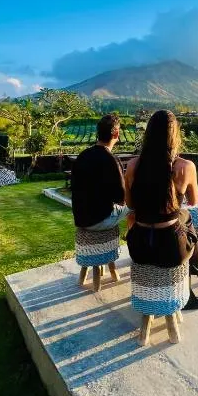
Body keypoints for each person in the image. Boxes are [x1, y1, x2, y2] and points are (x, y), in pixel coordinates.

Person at [125, 109, 198, 310]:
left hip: (139, 248)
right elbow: (193, 201)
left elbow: (130, 205)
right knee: (186, 218)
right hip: (172, 251)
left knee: (182, 220)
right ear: (175, 135)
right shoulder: (185, 166)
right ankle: (195, 278)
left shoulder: (132, 166)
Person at [71, 114, 129, 284]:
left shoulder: (83, 156)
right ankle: (138, 248)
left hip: (81, 219)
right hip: (100, 220)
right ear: (116, 134)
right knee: (136, 206)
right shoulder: (111, 159)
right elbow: (121, 198)